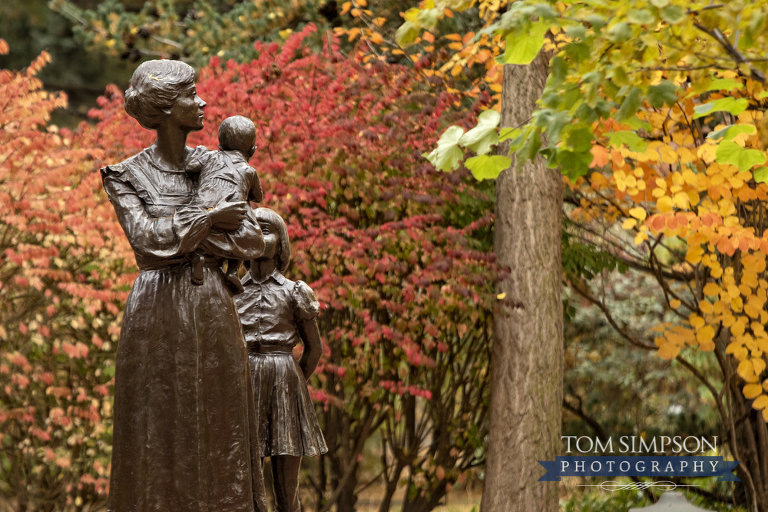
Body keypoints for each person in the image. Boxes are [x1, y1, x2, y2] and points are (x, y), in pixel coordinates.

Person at [100, 59, 270, 512]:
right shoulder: (125, 175)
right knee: (157, 419)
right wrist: (212, 219)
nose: (202, 102)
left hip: (213, 302)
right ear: (164, 107)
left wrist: (184, 235)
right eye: (189, 94)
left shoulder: (217, 166)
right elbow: (147, 241)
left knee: (220, 418)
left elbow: (252, 238)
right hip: (156, 307)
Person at [235, 208, 328, 512]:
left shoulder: (294, 292)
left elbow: (314, 350)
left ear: (282, 242)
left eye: (267, 230)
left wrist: (293, 381)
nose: (259, 237)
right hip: (246, 387)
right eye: (252, 230)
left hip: (285, 382)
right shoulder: (232, 292)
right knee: (247, 487)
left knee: (286, 491)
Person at [186, 115, 264, 294]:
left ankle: (199, 255)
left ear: (219, 146)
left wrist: (199, 152)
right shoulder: (249, 171)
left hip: (202, 211)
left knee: (200, 228)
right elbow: (258, 197)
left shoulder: (210, 156)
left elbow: (190, 167)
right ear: (252, 151)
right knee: (252, 231)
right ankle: (233, 270)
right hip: (232, 220)